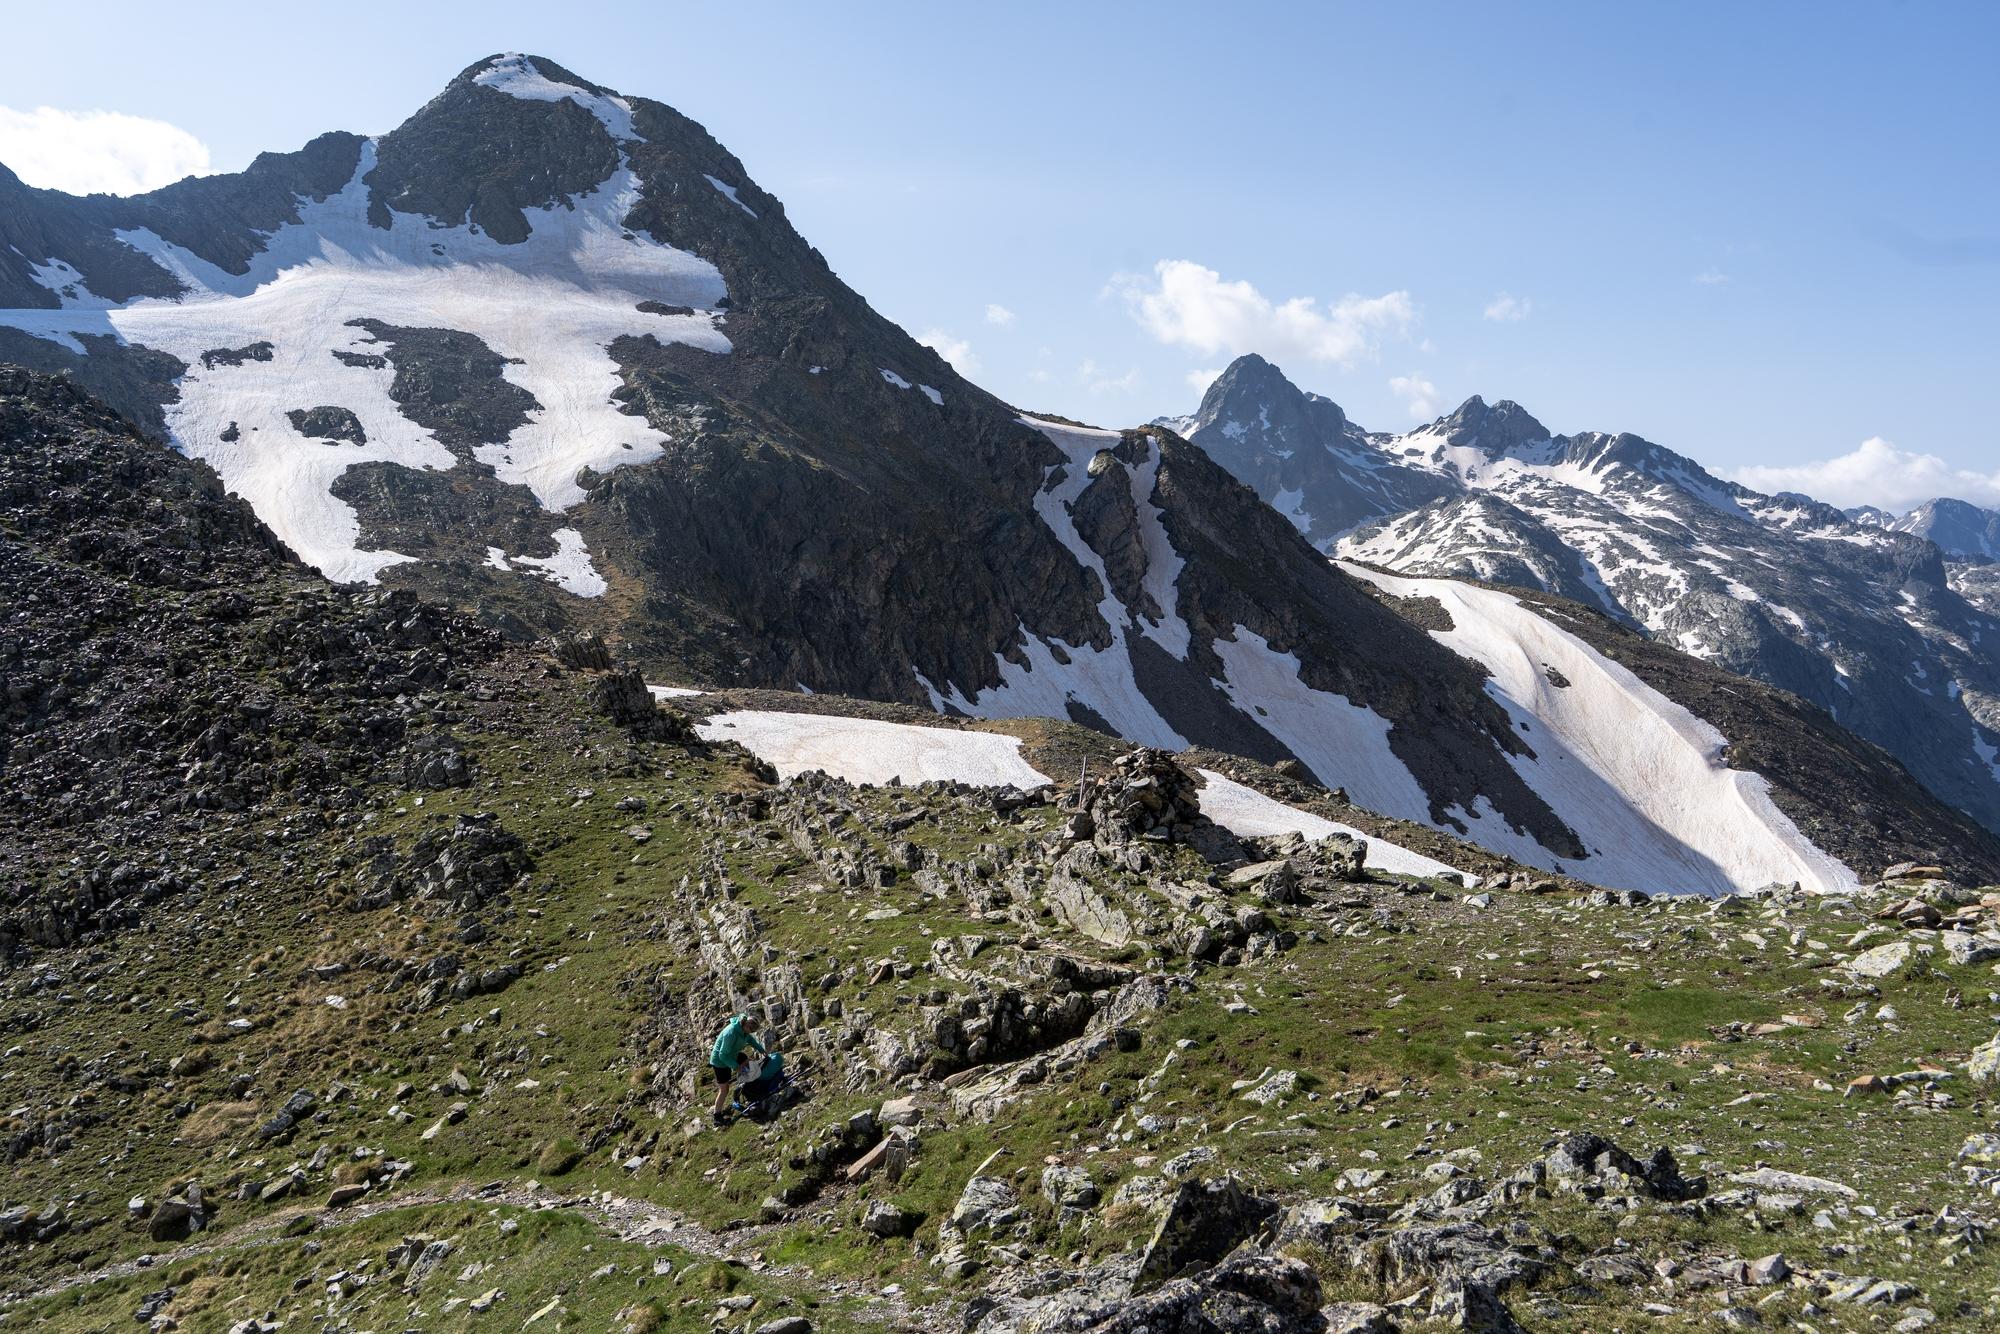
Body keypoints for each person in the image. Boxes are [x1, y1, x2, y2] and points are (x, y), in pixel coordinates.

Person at [707, 1011, 768, 1122]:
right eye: (751, 1030)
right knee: (724, 1090)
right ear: (745, 1025)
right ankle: (717, 1116)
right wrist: (736, 1067)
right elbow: (722, 1055)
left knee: (744, 1059)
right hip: (720, 1062)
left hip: (732, 1054)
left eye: (754, 1031)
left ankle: (749, 1086)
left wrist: (761, 1049)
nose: (752, 1032)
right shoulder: (731, 1033)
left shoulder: (744, 1031)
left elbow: (750, 1040)